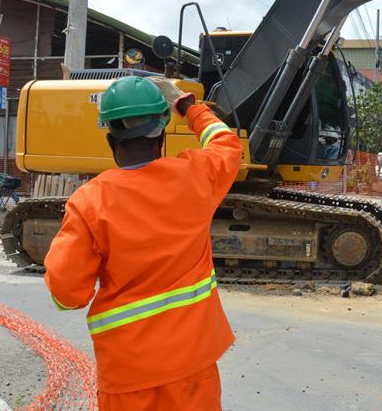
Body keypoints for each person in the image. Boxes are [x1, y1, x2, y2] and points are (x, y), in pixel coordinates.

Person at [43, 75, 242, 410]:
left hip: (127, 376)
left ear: (110, 141)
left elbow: (66, 294)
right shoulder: (197, 177)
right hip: (193, 367)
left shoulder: (89, 202)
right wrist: (186, 105)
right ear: (161, 137)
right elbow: (225, 143)